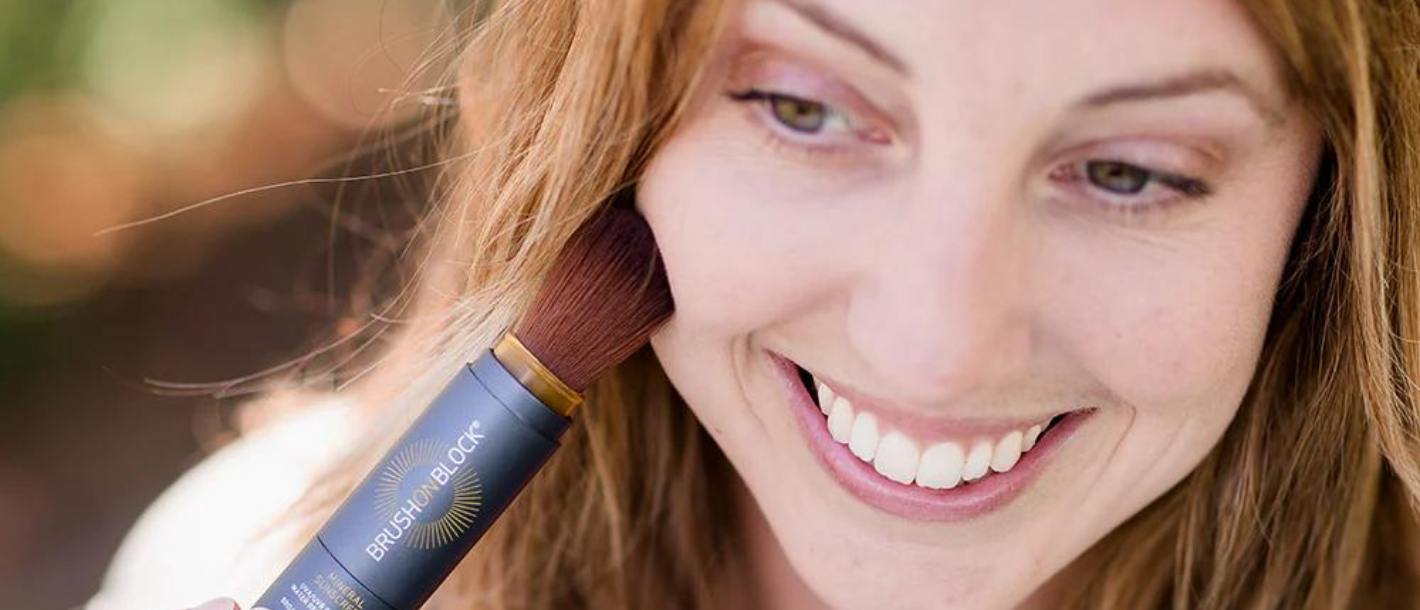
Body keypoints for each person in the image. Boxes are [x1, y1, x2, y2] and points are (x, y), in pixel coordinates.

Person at [86, 0, 1420, 609]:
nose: (937, 347)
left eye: (1130, 171)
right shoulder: (229, 566)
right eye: (803, 106)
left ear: (1336, 204)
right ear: (612, 123)